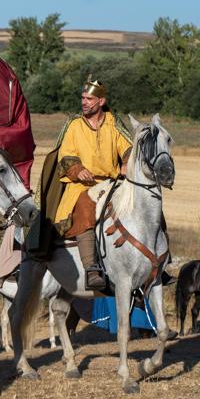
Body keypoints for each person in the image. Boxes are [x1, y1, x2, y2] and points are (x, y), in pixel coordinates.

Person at [53, 77, 133, 289]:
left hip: (112, 184)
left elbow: (128, 148)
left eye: (89, 99)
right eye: (83, 98)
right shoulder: (74, 125)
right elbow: (66, 155)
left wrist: (126, 163)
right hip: (82, 186)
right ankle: (91, 269)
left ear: (101, 101)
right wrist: (78, 170)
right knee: (85, 206)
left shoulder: (113, 123)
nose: (84, 102)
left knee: (144, 204)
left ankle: (158, 262)